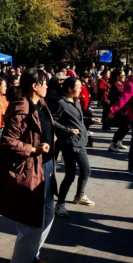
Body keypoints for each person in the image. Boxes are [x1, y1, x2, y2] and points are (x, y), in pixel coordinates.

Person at [0, 67, 56, 263]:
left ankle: (32, 256)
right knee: (31, 222)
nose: (47, 86)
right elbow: (8, 141)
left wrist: (53, 135)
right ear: (34, 86)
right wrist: (33, 149)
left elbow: (45, 126)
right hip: (29, 169)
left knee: (48, 214)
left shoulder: (41, 103)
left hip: (46, 166)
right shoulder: (21, 108)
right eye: (44, 83)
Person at [52, 77, 101, 217]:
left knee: (86, 170)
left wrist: (90, 120)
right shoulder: (61, 103)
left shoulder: (76, 101)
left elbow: (78, 120)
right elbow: (52, 121)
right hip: (70, 143)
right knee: (70, 175)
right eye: (78, 87)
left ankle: (79, 196)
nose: (81, 89)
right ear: (69, 89)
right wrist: (67, 130)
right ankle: (60, 204)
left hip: (81, 141)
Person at [107, 69, 130, 152]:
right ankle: (113, 143)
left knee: (127, 126)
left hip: (124, 109)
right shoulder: (115, 86)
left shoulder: (123, 84)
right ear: (118, 77)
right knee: (124, 126)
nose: (124, 77)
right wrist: (121, 98)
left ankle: (119, 141)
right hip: (118, 110)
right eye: (123, 75)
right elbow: (110, 97)